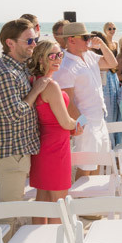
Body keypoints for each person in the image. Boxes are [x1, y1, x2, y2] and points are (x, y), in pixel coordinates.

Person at [0, 18, 46, 243]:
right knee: (8, 209)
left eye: (35, 39)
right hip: (11, 150)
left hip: (19, 148)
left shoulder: (17, 67)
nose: (34, 44)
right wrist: (36, 90)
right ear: (10, 43)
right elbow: (15, 113)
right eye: (29, 40)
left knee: (13, 205)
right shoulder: (5, 72)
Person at [54, 23, 117, 179]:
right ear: (71, 40)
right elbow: (67, 101)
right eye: (85, 37)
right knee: (85, 168)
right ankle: (81, 201)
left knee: (97, 163)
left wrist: (102, 45)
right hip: (86, 122)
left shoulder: (89, 55)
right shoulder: (65, 66)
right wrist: (80, 124)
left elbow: (112, 64)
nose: (89, 40)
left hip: (100, 118)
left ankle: (92, 200)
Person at [28, 40, 81, 223]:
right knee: (60, 201)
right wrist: (78, 125)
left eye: (60, 55)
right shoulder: (51, 85)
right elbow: (66, 122)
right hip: (56, 146)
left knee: (42, 198)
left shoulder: (34, 81)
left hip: (42, 144)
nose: (58, 59)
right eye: (52, 56)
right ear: (41, 59)